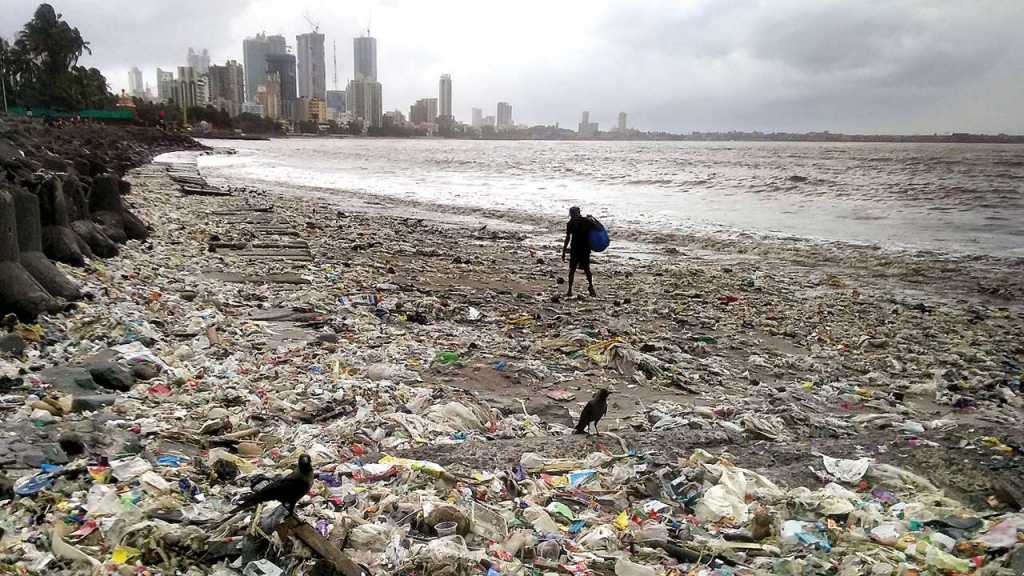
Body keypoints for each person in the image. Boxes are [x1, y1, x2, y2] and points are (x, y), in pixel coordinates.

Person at [562, 206, 596, 297]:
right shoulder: (585, 221)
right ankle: (590, 287)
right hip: (583, 249)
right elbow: (597, 229)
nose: (573, 215)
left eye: (572, 214)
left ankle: (571, 290)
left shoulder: (572, 223)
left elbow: (567, 238)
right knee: (585, 269)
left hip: (577, 249)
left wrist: (564, 251)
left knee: (574, 270)